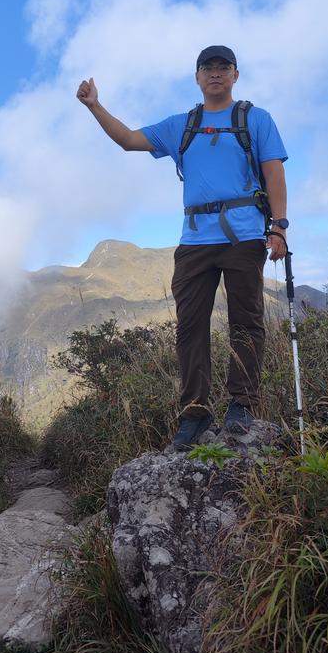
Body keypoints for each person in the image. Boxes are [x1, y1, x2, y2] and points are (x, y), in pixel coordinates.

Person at [76, 44, 288, 449]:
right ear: (197, 77)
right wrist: (94, 106)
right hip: (194, 240)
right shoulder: (182, 125)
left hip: (244, 236)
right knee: (191, 327)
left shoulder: (255, 120)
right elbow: (129, 140)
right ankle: (194, 410)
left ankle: (241, 404)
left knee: (246, 321)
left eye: (223, 68)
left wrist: (278, 227)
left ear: (235, 75)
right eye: (208, 68)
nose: (215, 74)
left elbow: (273, 172)